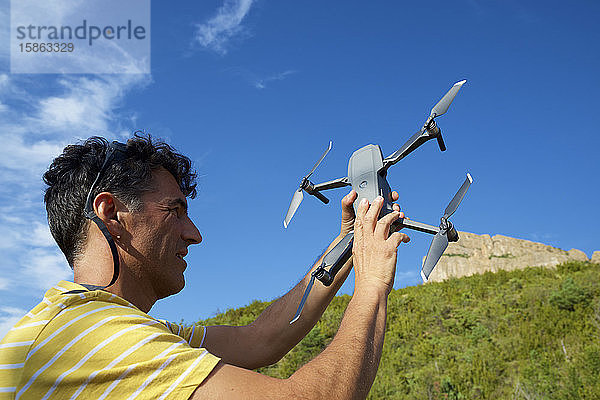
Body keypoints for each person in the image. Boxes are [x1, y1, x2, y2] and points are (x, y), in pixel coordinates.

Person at [0, 135, 410, 399]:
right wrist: (372, 284)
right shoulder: (94, 339)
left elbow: (260, 340)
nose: (194, 234)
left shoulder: (96, 328)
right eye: (174, 211)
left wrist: (348, 245)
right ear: (111, 213)